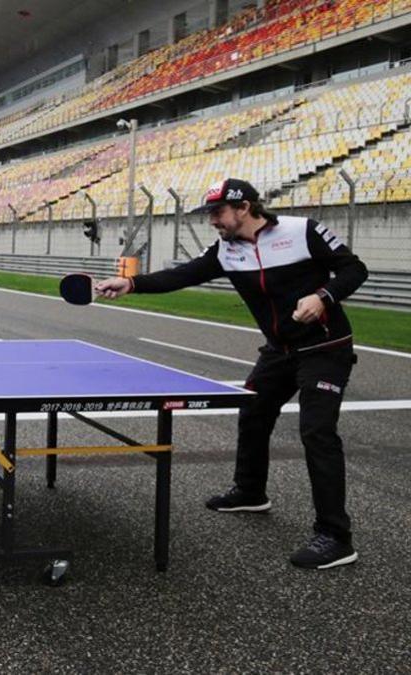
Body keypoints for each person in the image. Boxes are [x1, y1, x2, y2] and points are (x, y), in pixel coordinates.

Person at [94, 178, 368, 570]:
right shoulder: (226, 248)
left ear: (243, 208)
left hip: (324, 348)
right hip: (280, 351)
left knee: (317, 432)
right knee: (253, 413)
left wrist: (323, 296)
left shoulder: (302, 231)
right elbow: (184, 275)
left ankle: (335, 536)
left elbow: (355, 269)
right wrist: (132, 283)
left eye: (217, 212)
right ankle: (250, 491)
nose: (213, 221)